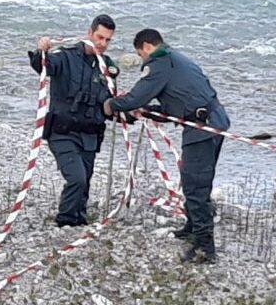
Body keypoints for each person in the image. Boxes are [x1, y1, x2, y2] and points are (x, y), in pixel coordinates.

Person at [102, 28, 230, 264]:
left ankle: (205, 247)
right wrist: (150, 112)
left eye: (141, 55)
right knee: (194, 179)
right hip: (212, 120)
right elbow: (174, 106)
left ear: (147, 47)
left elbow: (137, 97)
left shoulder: (160, 63)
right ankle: (192, 226)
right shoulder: (176, 59)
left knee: (195, 185)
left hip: (202, 127)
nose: (143, 60)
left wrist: (111, 104)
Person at [28, 15, 120, 228]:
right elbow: (43, 66)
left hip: (90, 134)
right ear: (89, 33)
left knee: (84, 183)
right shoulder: (65, 57)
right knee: (77, 178)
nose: (102, 44)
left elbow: (108, 101)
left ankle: (79, 221)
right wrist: (41, 51)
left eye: (108, 40)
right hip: (63, 132)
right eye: (100, 37)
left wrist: (126, 110)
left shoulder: (107, 67)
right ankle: (64, 222)